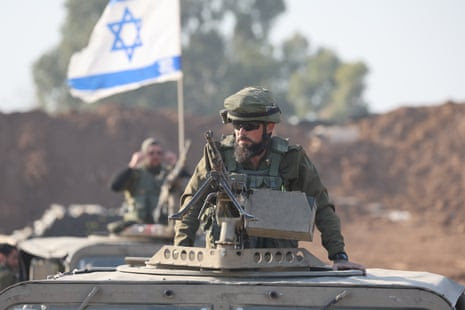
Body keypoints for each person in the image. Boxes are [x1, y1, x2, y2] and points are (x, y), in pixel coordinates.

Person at [174, 86, 365, 271]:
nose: (241, 132)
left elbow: (322, 206)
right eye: (237, 125)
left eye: (249, 126)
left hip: (277, 266)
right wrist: (181, 252)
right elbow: (191, 204)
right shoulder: (218, 157)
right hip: (223, 264)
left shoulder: (291, 159)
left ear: (269, 127)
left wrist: (338, 255)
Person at [108, 137, 171, 233]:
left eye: (159, 153)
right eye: (151, 153)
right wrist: (132, 165)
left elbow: (189, 188)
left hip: (161, 224)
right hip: (136, 223)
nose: (155, 156)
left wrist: (176, 165)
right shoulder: (135, 173)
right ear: (144, 155)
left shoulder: (169, 175)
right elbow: (115, 186)